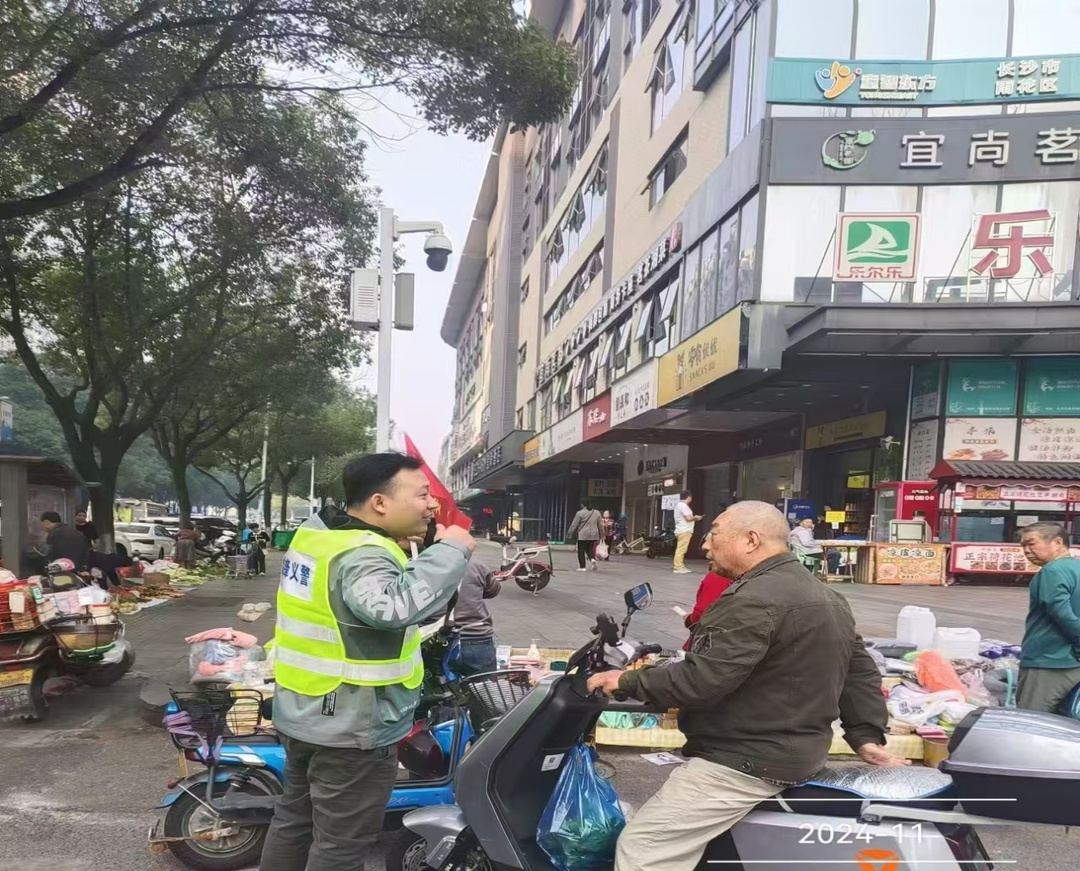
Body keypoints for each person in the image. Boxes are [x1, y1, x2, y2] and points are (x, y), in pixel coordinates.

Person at [588, 501, 906, 871]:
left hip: (744, 760)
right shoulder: (824, 595)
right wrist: (865, 734)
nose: (705, 543)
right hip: (795, 751)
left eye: (716, 532)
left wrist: (625, 679)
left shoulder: (753, 599)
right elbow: (859, 669)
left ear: (751, 539)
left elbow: (700, 680)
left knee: (645, 847)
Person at [259, 453, 475, 871]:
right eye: (423, 494)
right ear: (380, 502)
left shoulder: (319, 533)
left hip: (304, 710)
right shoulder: (363, 554)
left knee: (293, 822)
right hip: (351, 726)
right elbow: (392, 608)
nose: (432, 505)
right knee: (340, 846)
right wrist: (451, 550)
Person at [1017, 522, 1080, 713]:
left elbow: (1063, 615)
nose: (1026, 551)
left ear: (1057, 542)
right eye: (1023, 546)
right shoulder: (1076, 567)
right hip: (1070, 663)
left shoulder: (1052, 571)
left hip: (1049, 662)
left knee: (1032, 725)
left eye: (1031, 544)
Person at [682, 533, 735, 651]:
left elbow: (703, 612)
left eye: (712, 540)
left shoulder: (720, 575)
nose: (704, 546)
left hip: (712, 645)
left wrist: (689, 620)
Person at [453, 557, 501, 675]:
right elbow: (493, 590)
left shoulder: (423, 563)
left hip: (437, 640)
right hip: (476, 637)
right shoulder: (475, 564)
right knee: (484, 690)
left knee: (441, 690)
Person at [566, 500, 603, 572]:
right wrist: (601, 535)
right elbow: (600, 525)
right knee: (589, 548)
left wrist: (569, 534)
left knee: (581, 550)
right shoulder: (597, 512)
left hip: (583, 534)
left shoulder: (579, 513)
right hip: (594, 534)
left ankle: (582, 567)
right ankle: (592, 559)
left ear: (582, 505)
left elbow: (574, 525)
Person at [673, 491, 702, 574]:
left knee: (681, 548)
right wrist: (696, 518)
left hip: (680, 529)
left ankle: (680, 565)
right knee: (681, 549)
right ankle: (678, 567)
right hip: (685, 530)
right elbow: (688, 518)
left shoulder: (678, 505)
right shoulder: (684, 506)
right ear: (689, 497)